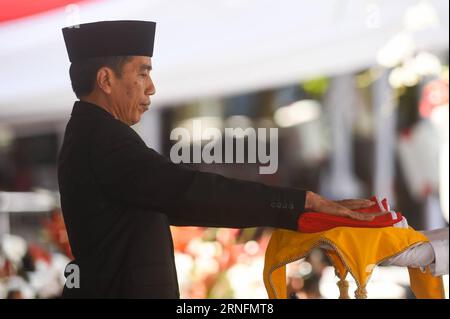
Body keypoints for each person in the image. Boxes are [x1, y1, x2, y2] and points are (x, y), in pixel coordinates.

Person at [58, 20, 384, 298]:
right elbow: (191, 193)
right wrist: (302, 203)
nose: (152, 88)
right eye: (143, 73)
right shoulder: (103, 139)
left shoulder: (92, 133)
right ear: (105, 80)